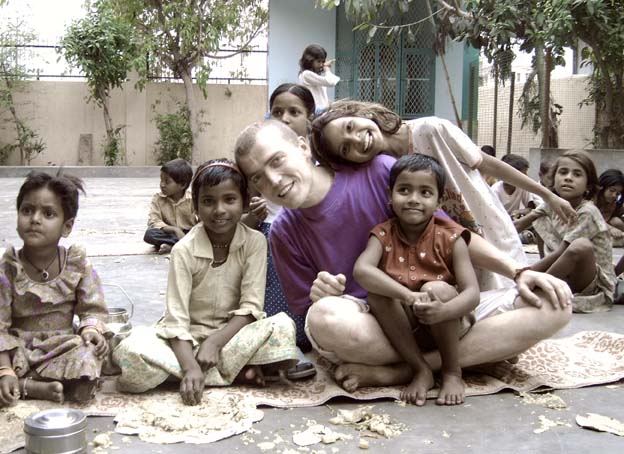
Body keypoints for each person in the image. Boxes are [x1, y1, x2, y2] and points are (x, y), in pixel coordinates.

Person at [234, 120, 571, 395]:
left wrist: (518, 270)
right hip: (372, 323)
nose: (273, 180)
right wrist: (321, 294)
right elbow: (308, 313)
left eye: (276, 160)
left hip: (439, 311)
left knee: (554, 304)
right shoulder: (283, 232)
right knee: (326, 318)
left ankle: (404, 370)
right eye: (258, 177)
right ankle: (463, 358)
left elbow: (452, 234)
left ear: (303, 148)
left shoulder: (377, 172)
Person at [310, 100, 577, 291]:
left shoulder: (431, 129)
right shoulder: (379, 168)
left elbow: (486, 163)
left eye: (349, 127)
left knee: (515, 288)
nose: (357, 140)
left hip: (490, 230)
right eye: (346, 148)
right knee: (480, 303)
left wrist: (548, 195)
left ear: (357, 112)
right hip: (451, 250)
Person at [114, 160, 299, 405]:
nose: (219, 210)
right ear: (196, 209)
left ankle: (203, 373)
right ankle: (234, 373)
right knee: (131, 350)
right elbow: (175, 319)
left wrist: (214, 342)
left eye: (229, 200)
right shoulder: (183, 250)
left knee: (282, 327)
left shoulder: (255, 241)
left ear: (244, 203)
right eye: (208, 201)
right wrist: (190, 366)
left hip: (232, 336)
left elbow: (251, 308)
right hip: (184, 342)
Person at [353, 154, 480, 406]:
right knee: (378, 293)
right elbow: (362, 270)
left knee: (437, 289)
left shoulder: (452, 237)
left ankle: (452, 372)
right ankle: (420, 369)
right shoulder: (382, 234)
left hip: (448, 323)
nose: (413, 199)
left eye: (425, 192)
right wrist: (407, 295)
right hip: (404, 328)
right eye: (404, 190)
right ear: (390, 196)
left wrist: (443, 311)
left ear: (438, 200)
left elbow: (472, 293)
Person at [0, 171, 109, 406]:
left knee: (89, 352)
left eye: (48, 213)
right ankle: (26, 385)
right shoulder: (8, 268)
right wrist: (4, 369)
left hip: (62, 346)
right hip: (16, 349)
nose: (35, 219)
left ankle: (32, 384)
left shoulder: (76, 263)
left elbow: (93, 308)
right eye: (27, 210)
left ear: (67, 226)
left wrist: (91, 330)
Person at [244, 83, 317, 377]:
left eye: (294, 111)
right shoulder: (257, 159)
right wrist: (251, 216)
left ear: (310, 118)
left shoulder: (320, 161)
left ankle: (298, 336)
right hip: (269, 239)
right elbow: (241, 210)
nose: (285, 118)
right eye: (277, 112)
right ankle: (279, 343)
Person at [515, 151, 616, 313]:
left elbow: (564, 250)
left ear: (588, 186)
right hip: (565, 268)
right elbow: (519, 225)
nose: (568, 178)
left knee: (580, 245)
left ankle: (539, 288)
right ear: (553, 179)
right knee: (539, 218)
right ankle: (544, 277)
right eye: (563, 172)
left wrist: (526, 273)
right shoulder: (553, 203)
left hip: (591, 282)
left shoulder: (587, 211)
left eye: (577, 174)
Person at [144, 158, 196, 254]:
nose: (162, 185)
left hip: (188, 233)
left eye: (167, 182)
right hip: (169, 233)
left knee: (202, 234)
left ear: (182, 185)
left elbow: (200, 222)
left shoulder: (192, 200)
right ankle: (183, 246)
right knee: (150, 234)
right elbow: (154, 220)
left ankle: (173, 247)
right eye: (161, 180)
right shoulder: (158, 199)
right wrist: (174, 230)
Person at [298, 44, 340, 113]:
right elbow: (331, 82)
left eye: (323, 62)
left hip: (321, 111)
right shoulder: (306, 74)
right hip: (316, 112)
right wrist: (327, 69)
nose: (321, 65)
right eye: (318, 61)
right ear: (309, 60)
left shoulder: (313, 75)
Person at [593, 169, 624, 247]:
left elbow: (619, 215)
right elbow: (590, 219)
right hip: (591, 227)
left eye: (617, 193)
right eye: (611, 190)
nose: (614, 195)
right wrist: (610, 228)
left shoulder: (615, 203)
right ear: (602, 187)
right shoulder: (591, 198)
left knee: (616, 222)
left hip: (604, 228)